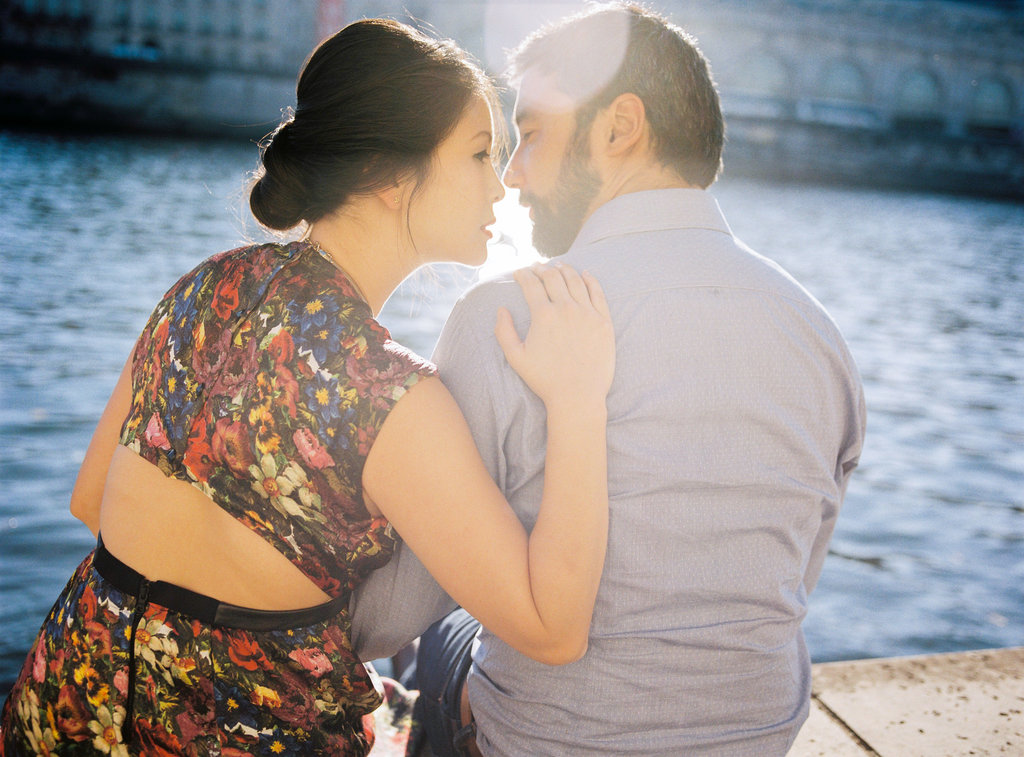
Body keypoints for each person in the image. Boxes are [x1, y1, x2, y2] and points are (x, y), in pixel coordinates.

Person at [0, 19, 616, 756]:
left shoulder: (205, 287)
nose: (500, 184)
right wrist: (578, 398)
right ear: (387, 174)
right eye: (481, 154)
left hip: (68, 701)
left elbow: (89, 498)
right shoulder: (387, 396)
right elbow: (551, 628)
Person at [349, 3, 867, 755]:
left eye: (529, 134)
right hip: (754, 739)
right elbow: (792, 575)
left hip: (539, 741)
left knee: (428, 636)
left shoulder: (509, 313)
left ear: (620, 128)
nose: (513, 172)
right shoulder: (819, 335)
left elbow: (395, 606)